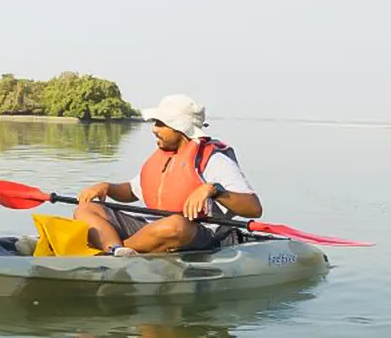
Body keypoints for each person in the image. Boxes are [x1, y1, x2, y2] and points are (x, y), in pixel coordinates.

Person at [74, 93, 263, 256]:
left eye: (160, 123)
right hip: (150, 229)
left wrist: (213, 190)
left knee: (174, 226)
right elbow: (132, 191)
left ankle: (116, 256)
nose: (154, 129)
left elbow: (253, 208)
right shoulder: (164, 156)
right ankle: (115, 250)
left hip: (197, 233)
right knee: (86, 209)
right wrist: (107, 187)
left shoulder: (214, 160)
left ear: (180, 128)